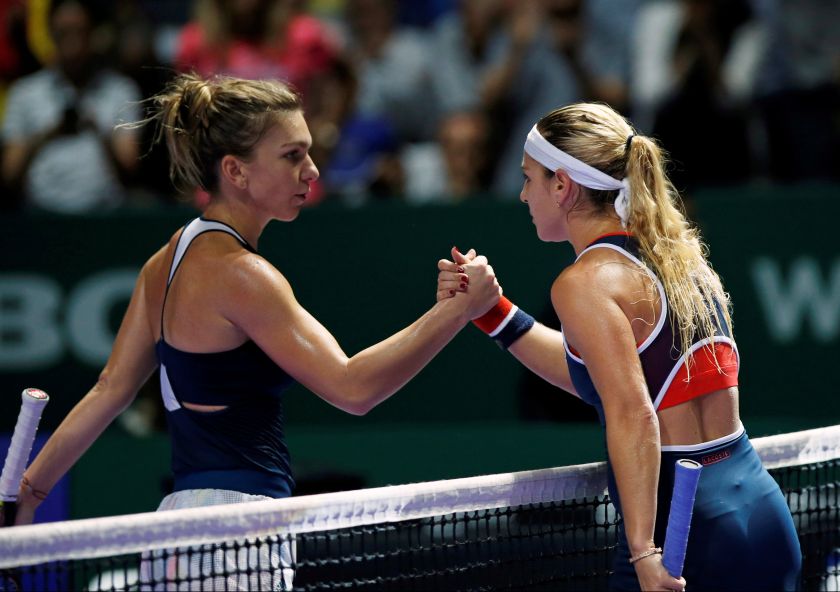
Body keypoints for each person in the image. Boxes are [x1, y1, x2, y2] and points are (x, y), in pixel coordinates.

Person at [11, 72, 500, 589]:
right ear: (235, 171)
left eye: (309, 153)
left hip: (174, 530)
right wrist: (457, 313)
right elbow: (353, 387)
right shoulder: (245, 277)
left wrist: (29, 491)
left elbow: (109, 389)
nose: (311, 170)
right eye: (291, 156)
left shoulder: (166, 259)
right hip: (240, 535)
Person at [438, 102, 801, 590]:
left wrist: (643, 551)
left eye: (529, 178)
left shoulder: (583, 282)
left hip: (684, 534)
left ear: (562, 186)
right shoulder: (679, 257)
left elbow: (633, 413)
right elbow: (602, 378)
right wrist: (491, 311)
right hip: (760, 511)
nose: (523, 194)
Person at [0, 0, 142, 212]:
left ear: (93, 34)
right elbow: (9, 173)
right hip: (39, 218)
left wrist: (96, 128)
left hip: (105, 216)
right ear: (50, 33)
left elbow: (130, 165)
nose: (72, 42)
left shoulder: (120, 90)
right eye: (63, 32)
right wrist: (47, 134)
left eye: (79, 31)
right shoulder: (24, 93)